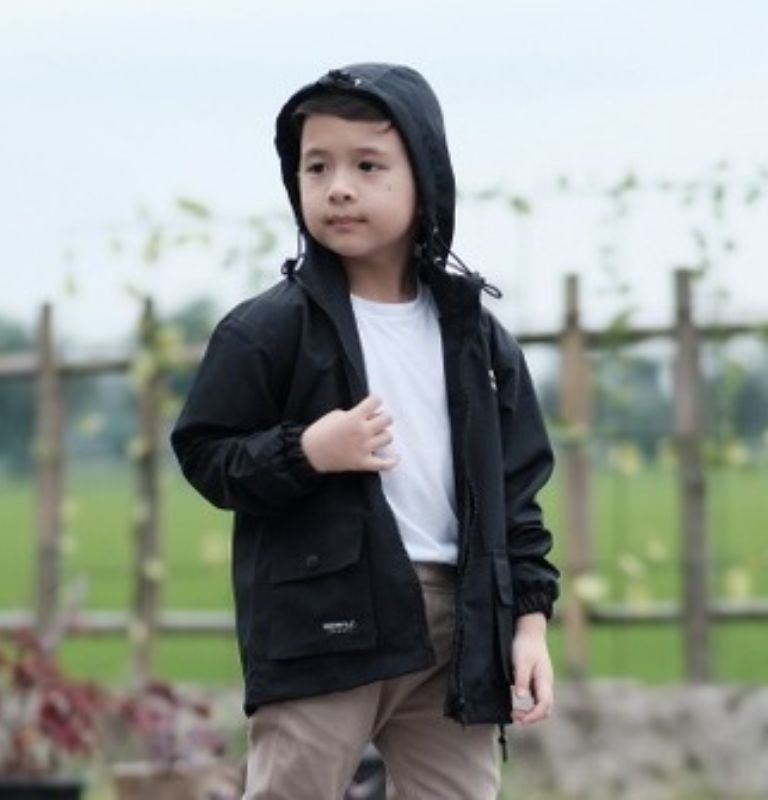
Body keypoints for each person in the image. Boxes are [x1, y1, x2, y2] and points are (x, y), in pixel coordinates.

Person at [171, 62, 560, 799]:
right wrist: (305, 452)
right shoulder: (268, 330)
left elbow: (517, 492)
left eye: (368, 165)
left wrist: (529, 625)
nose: (338, 187)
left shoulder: (476, 338)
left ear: (425, 178)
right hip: (325, 621)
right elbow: (204, 452)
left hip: (460, 625)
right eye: (316, 166)